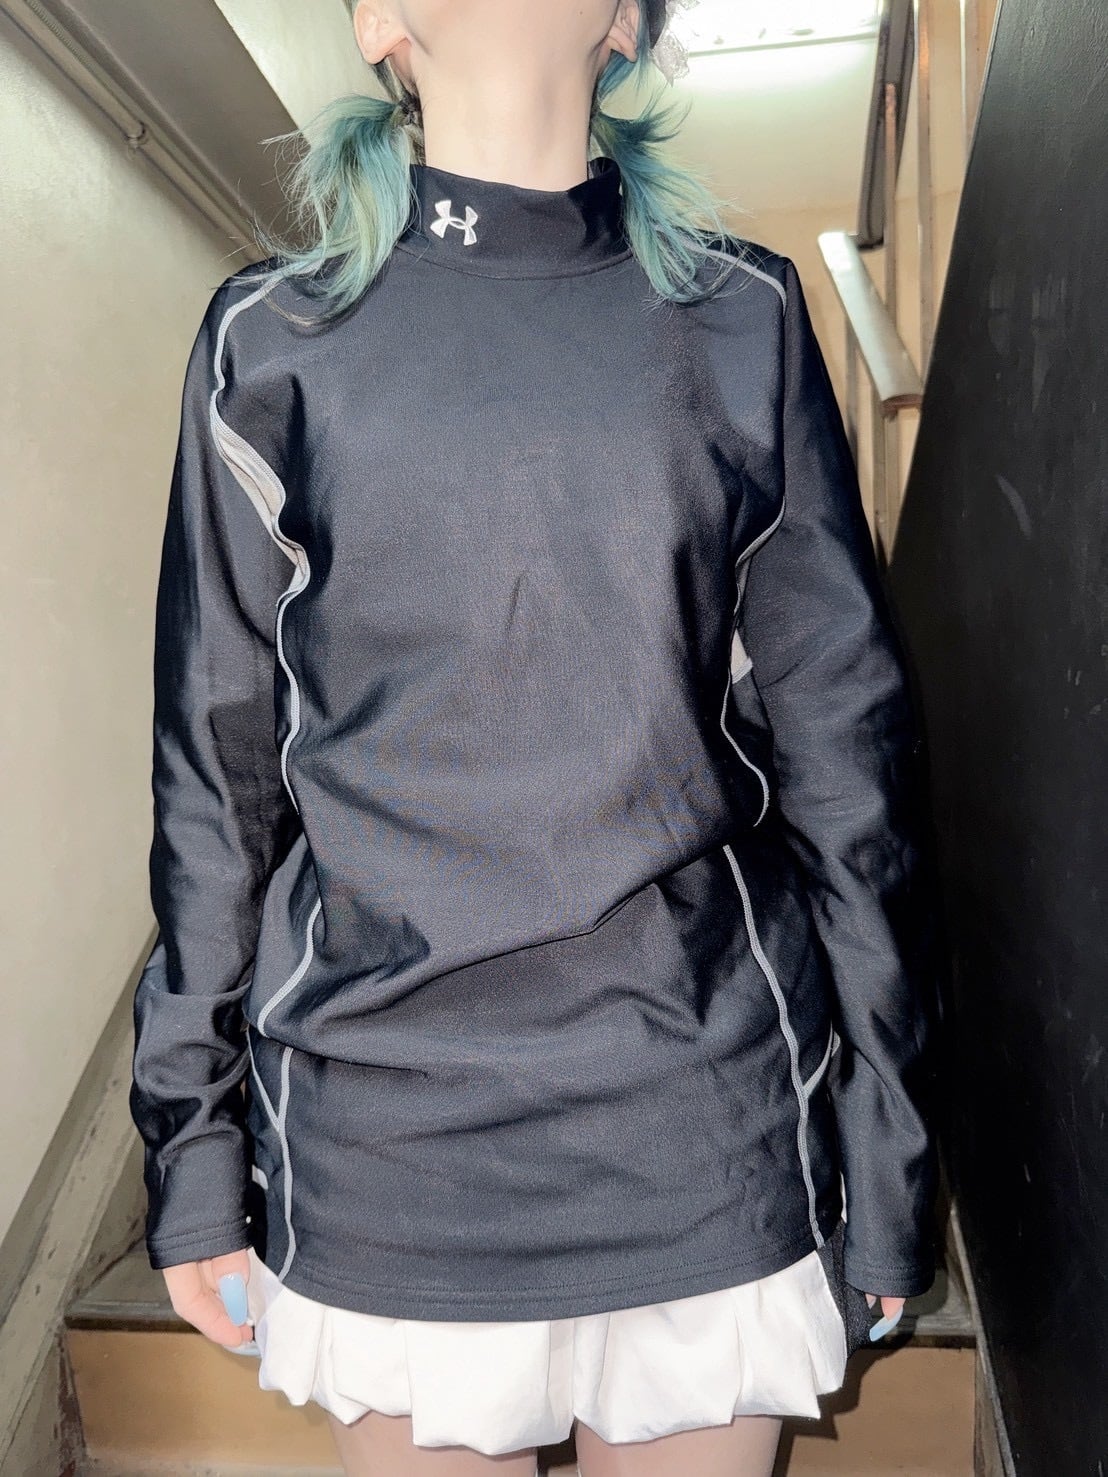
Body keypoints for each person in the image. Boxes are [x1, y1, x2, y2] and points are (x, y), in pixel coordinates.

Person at [128, 1, 942, 1473]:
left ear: (625, 20)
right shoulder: (271, 343)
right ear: (381, 21)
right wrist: (192, 1146)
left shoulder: (742, 317)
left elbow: (849, 758)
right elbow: (215, 773)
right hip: (388, 1138)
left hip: (701, 1118)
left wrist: (885, 1137)